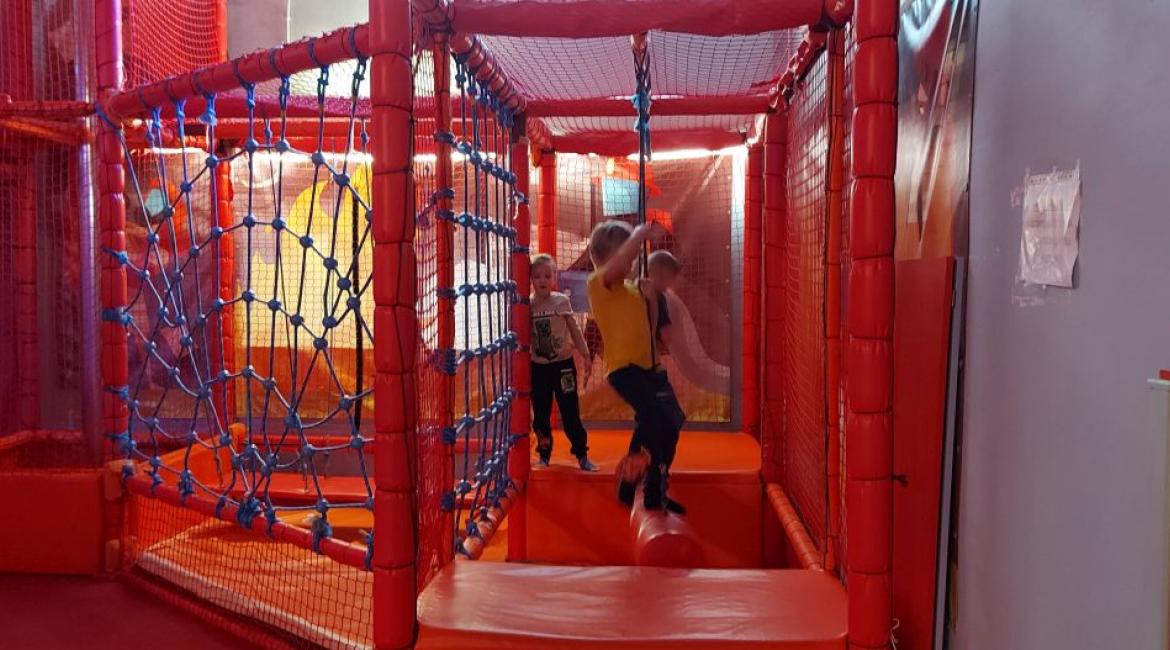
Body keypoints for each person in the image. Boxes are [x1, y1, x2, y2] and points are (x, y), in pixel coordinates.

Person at [586, 220, 680, 511]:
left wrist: (651, 301)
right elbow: (618, 263)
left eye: (631, 259)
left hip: (648, 368)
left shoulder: (633, 289)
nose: (629, 263)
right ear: (600, 258)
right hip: (624, 369)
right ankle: (634, 478)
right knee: (652, 415)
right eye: (624, 256)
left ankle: (653, 486)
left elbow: (650, 330)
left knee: (672, 421)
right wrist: (639, 235)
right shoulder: (598, 284)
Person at [529, 254, 598, 471]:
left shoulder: (561, 301)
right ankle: (544, 454)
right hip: (539, 367)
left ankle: (581, 454)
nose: (542, 280)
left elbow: (574, 329)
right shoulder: (529, 305)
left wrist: (586, 354)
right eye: (537, 276)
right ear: (531, 279)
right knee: (541, 413)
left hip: (563, 366)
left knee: (570, 411)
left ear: (554, 278)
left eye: (547, 276)